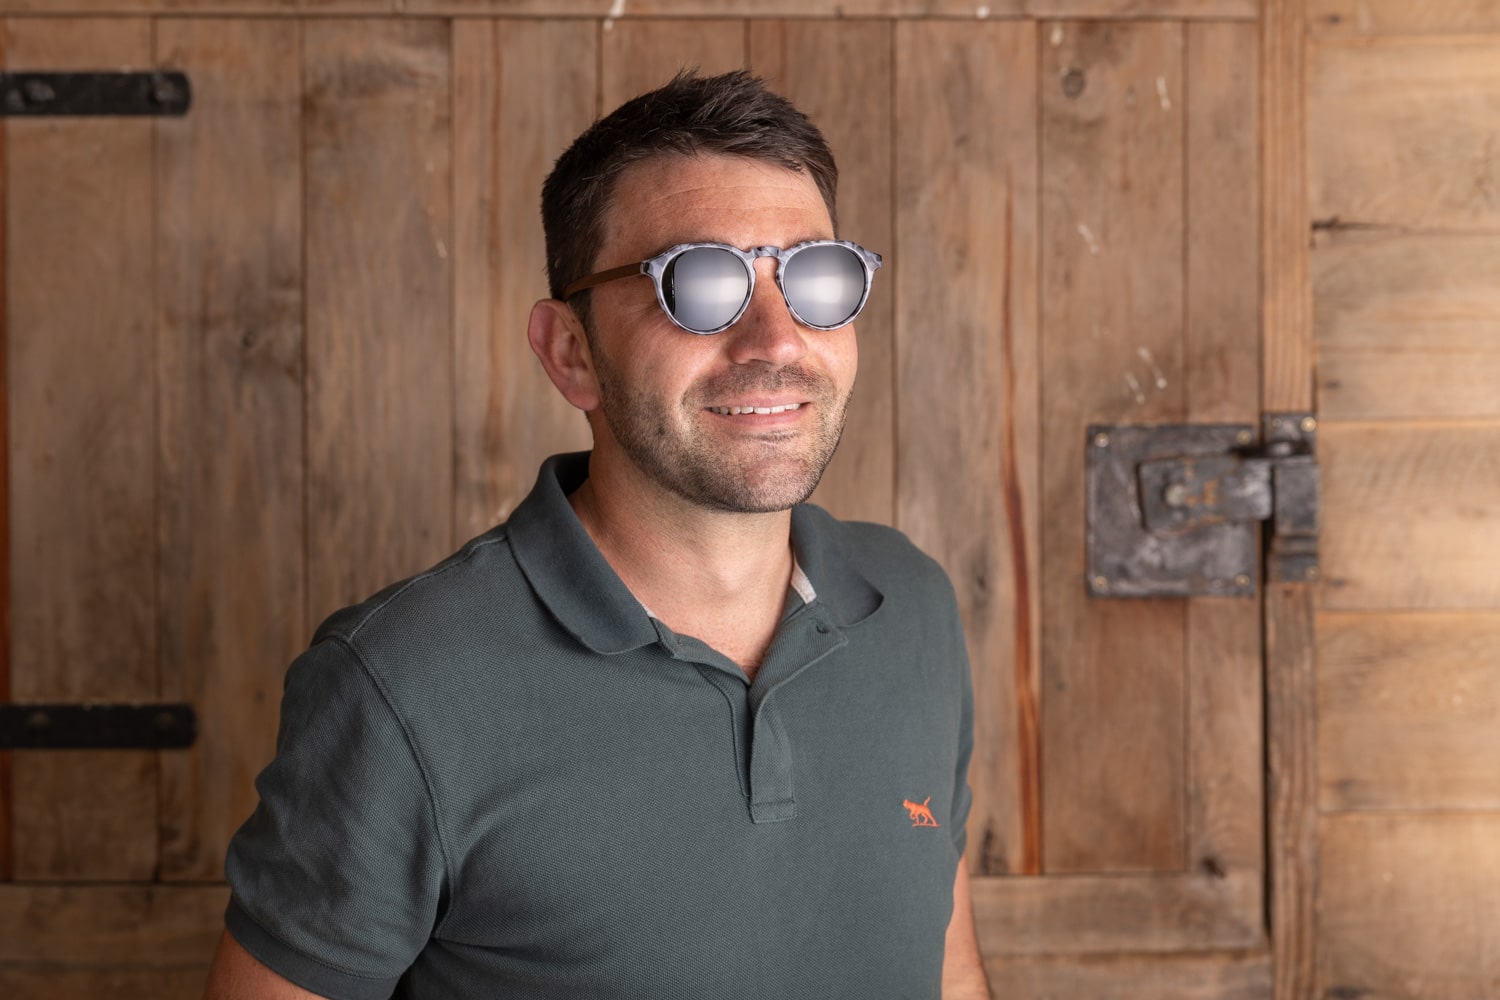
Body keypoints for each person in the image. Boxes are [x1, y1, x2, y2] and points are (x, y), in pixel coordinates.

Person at [204, 70, 990, 1000]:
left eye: (816, 276)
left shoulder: (912, 609)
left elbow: (952, 977)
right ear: (571, 352)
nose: (777, 340)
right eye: (702, 283)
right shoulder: (399, 686)